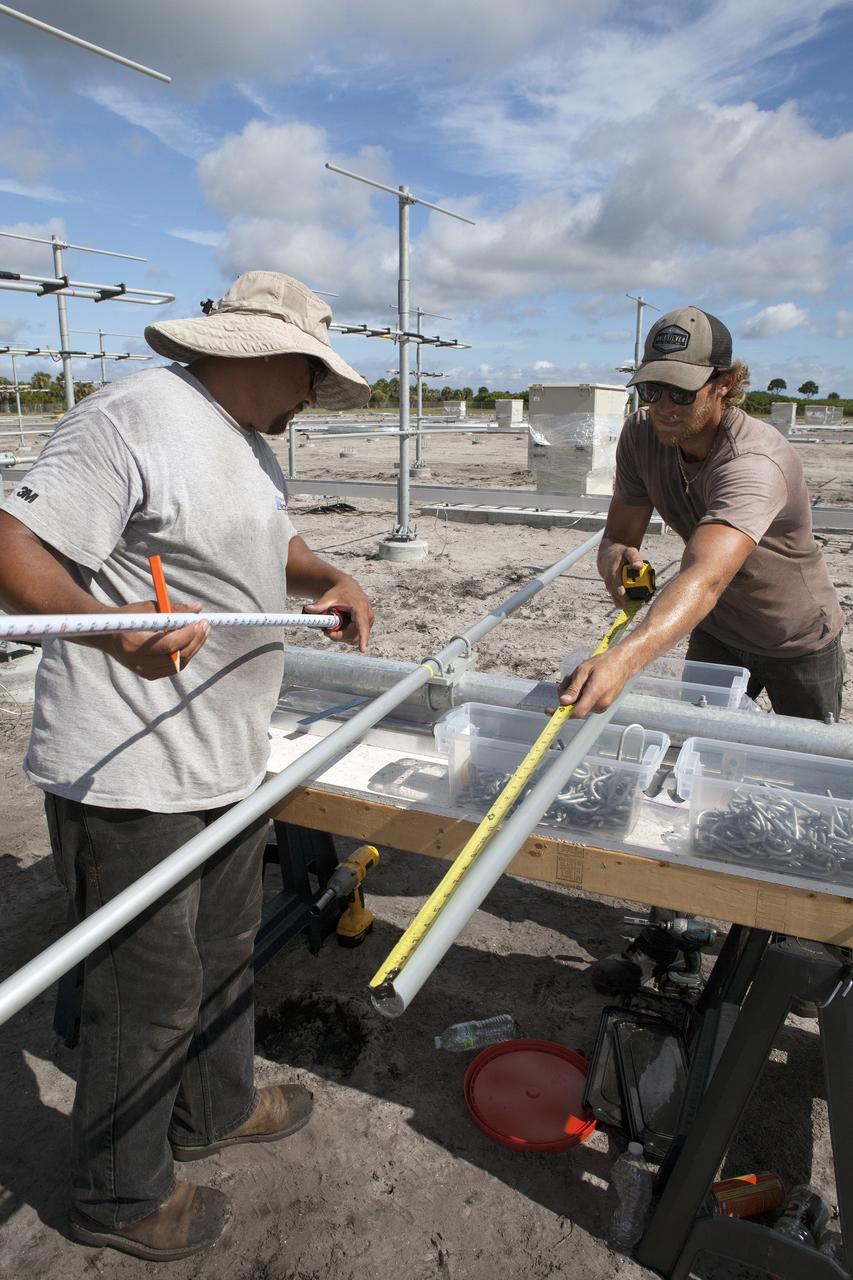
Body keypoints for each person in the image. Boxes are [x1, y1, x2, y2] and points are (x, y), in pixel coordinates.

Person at [0, 271, 376, 1262]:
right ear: (261, 353)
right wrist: (113, 631)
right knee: (146, 985)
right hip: (129, 769)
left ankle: (214, 1107)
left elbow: (268, 541)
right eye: (309, 372)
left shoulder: (248, 444)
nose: (312, 394)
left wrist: (327, 572)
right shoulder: (130, 416)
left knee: (224, 948)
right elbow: (16, 544)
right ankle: (117, 1196)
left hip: (221, 754)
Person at [560, 305, 844, 722]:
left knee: (806, 766)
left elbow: (705, 577)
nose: (664, 406)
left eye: (681, 392)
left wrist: (623, 658)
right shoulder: (641, 435)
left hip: (794, 638)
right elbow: (619, 535)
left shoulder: (753, 461)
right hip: (717, 630)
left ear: (724, 385)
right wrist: (616, 559)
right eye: (652, 389)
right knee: (703, 748)